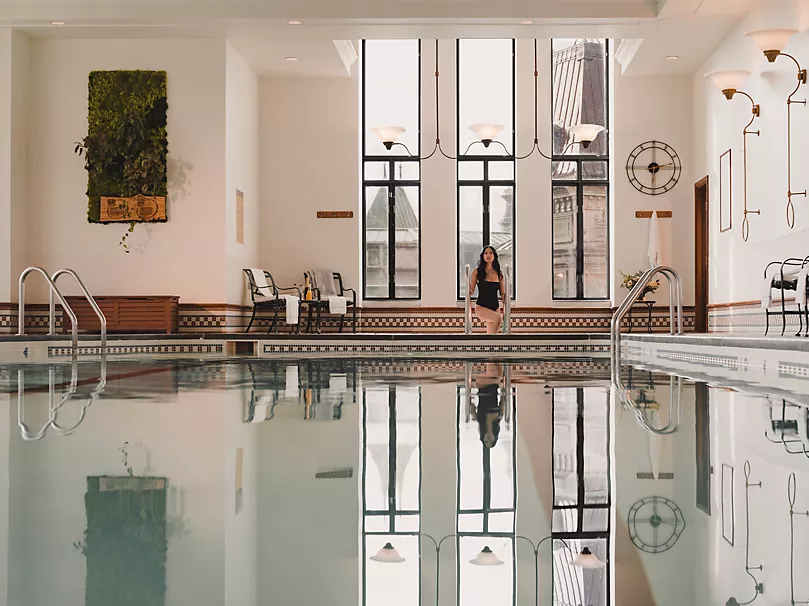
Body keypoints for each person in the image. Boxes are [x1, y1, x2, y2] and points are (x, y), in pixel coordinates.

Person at [468, 246, 506, 335]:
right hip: (481, 306)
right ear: (483, 256)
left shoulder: (499, 273)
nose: (488, 255)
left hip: (495, 307)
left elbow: (502, 292)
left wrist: (505, 297)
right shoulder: (476, 271)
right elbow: (472, 289)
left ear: (494, 256)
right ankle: (492, 345)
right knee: (498, 319)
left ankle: (490, 347)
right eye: (486, 253)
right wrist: (469, 292)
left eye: (491, 253)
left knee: (491, 334)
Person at [470, 363, 504, 449]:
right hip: (493, 384)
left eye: (486, 441)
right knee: (496, 371)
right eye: (491, 441)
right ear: (495, 438)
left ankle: (489, 359)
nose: (488, 439)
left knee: (492, 373)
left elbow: (471, 405)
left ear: (482, 438)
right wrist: (502, 384)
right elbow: (503, 399)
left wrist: (472, 413)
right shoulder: (499, 417)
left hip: (482, 385)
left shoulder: (479, 419)